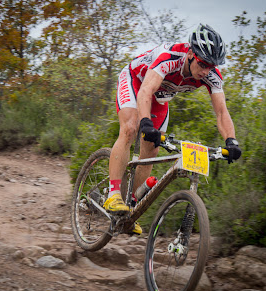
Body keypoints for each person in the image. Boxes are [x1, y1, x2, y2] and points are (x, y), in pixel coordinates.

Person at [103, 24, 242, 234]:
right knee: (131, 128)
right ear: (190, 54)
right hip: (136, 82)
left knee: (152, 148)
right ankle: (113, 194)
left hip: (159, 97)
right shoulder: (170, 57)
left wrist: (231, 141)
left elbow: (222, 112)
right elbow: (146, 91)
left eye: (211, 66)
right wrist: (145, 123)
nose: (206, 70)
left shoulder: (211, 75)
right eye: (203, 63)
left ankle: (131, 208)